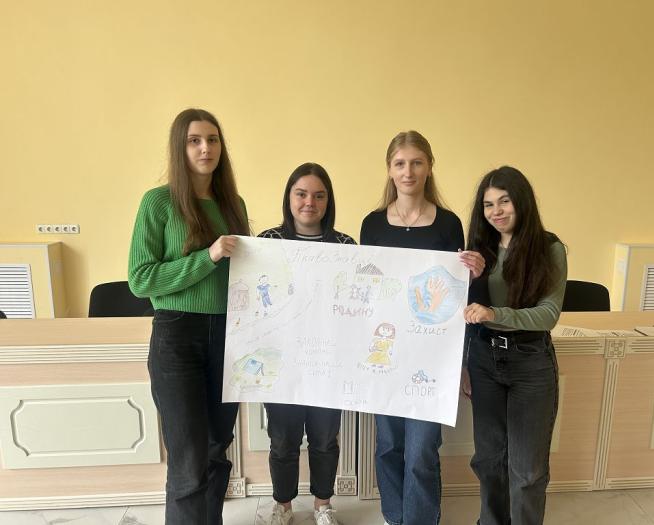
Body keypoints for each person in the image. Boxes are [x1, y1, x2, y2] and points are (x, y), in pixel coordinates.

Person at [128, 108, 250, 525]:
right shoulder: (158, 202)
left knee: (217, 449)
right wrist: (207, 257)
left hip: (228, 336)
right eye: (194, 140)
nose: (205, 148)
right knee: (188, 458)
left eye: (212, 139)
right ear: (179, 148)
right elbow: (141, 279)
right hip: (177, 335)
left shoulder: (233, 205)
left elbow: (245, 275)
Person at [360, 130, 484, 525]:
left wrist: (474, 273)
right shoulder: (372, 224)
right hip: (385, 352)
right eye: (400, 163)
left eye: (416, 162)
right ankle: (394, 517)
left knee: (422, 450)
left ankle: (419, 520)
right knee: (388, 445)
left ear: (429, 167)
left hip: (432, 356)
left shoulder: (448, 224)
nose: (408, 171)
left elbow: (457, 296)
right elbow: (368, 288)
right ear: (389, 169)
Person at [462, 165, 567, 525]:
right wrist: (464, 362)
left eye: (504, 201)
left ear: (522, 201)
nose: (497, 211)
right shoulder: (480, 250)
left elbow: (548, 314)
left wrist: (494, 313)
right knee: (488, 460)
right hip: (484, 358)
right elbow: (463, 312)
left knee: (527, 470)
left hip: (530, 362)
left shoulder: (549, 248)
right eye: (489, 204)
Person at [258, 162, 355, 525]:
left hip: (327, 363)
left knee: (325, 440)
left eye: (319, 195)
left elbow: (356, 304)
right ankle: (283, 506)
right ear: (289, 198)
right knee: (283, 441)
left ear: (329, 201)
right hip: (280, 365)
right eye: (301, 194)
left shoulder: (345, 245)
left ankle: (322, 506)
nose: (309, 203)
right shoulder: (267, 241)